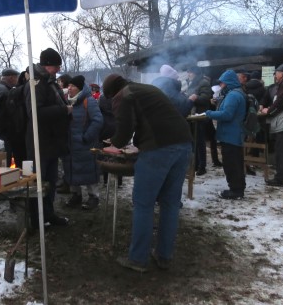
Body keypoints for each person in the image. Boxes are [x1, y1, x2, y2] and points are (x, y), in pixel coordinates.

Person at [102, 74, 193, 272]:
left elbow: (124, 131)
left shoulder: (123, 95)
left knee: (144, 203)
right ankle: (164, 256)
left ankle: (138, 259)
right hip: (184, 144)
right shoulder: (148, 88)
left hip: (158, 149)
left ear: (112, 93)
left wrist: (114, 143)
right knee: (170, 203)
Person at [25, 48, 71, 227]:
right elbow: (35, 112)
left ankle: (49, 214)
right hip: (40, 142)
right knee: (39, 181)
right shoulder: (36, 84)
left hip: (52, 141)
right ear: (47, 65)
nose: (58, 69)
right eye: (56, 66)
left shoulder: (50, 82)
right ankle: (36, 219)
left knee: (51, 181)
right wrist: (63, 110)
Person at [63, 75, 104, 210]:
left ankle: (94, 197)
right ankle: (76, 195)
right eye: (69, 85)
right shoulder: (66, 101)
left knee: (89, 171)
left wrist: (86, 137)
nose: (69, 88)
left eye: (73, 86)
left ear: (80, 88)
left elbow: (98, 120)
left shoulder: (88, 100)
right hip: (70, 144)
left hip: (85, 144)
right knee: (72, 170)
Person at [205, 70, 247, 199]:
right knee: (236, 163)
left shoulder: (233, 95)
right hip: (234, 134)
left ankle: (235, 190)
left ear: (228, 82)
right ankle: (238, 188)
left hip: (230, 135)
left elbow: (227, 114)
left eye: (222, 83)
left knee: (231, 164)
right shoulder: (236, 93)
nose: (221, 85)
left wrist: (209, 113)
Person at [183, 66, 213, 176]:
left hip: (200, 116)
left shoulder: (204, 83)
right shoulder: (191, 82)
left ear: (195, 73)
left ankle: (202, 166)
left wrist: (195, 98)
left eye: (190, 72)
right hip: (193, 116)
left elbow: (205, 98)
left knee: (200, 142)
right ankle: (195, 164)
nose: (188, 74)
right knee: (193, 142)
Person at [0, 67, 21, 164]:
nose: (17, 80)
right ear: (11, 78)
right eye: (16, 77)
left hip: (2, 130)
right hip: (3, 131)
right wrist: (7, 123)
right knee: (6, 156)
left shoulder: (0, 88)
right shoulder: (2, 90)